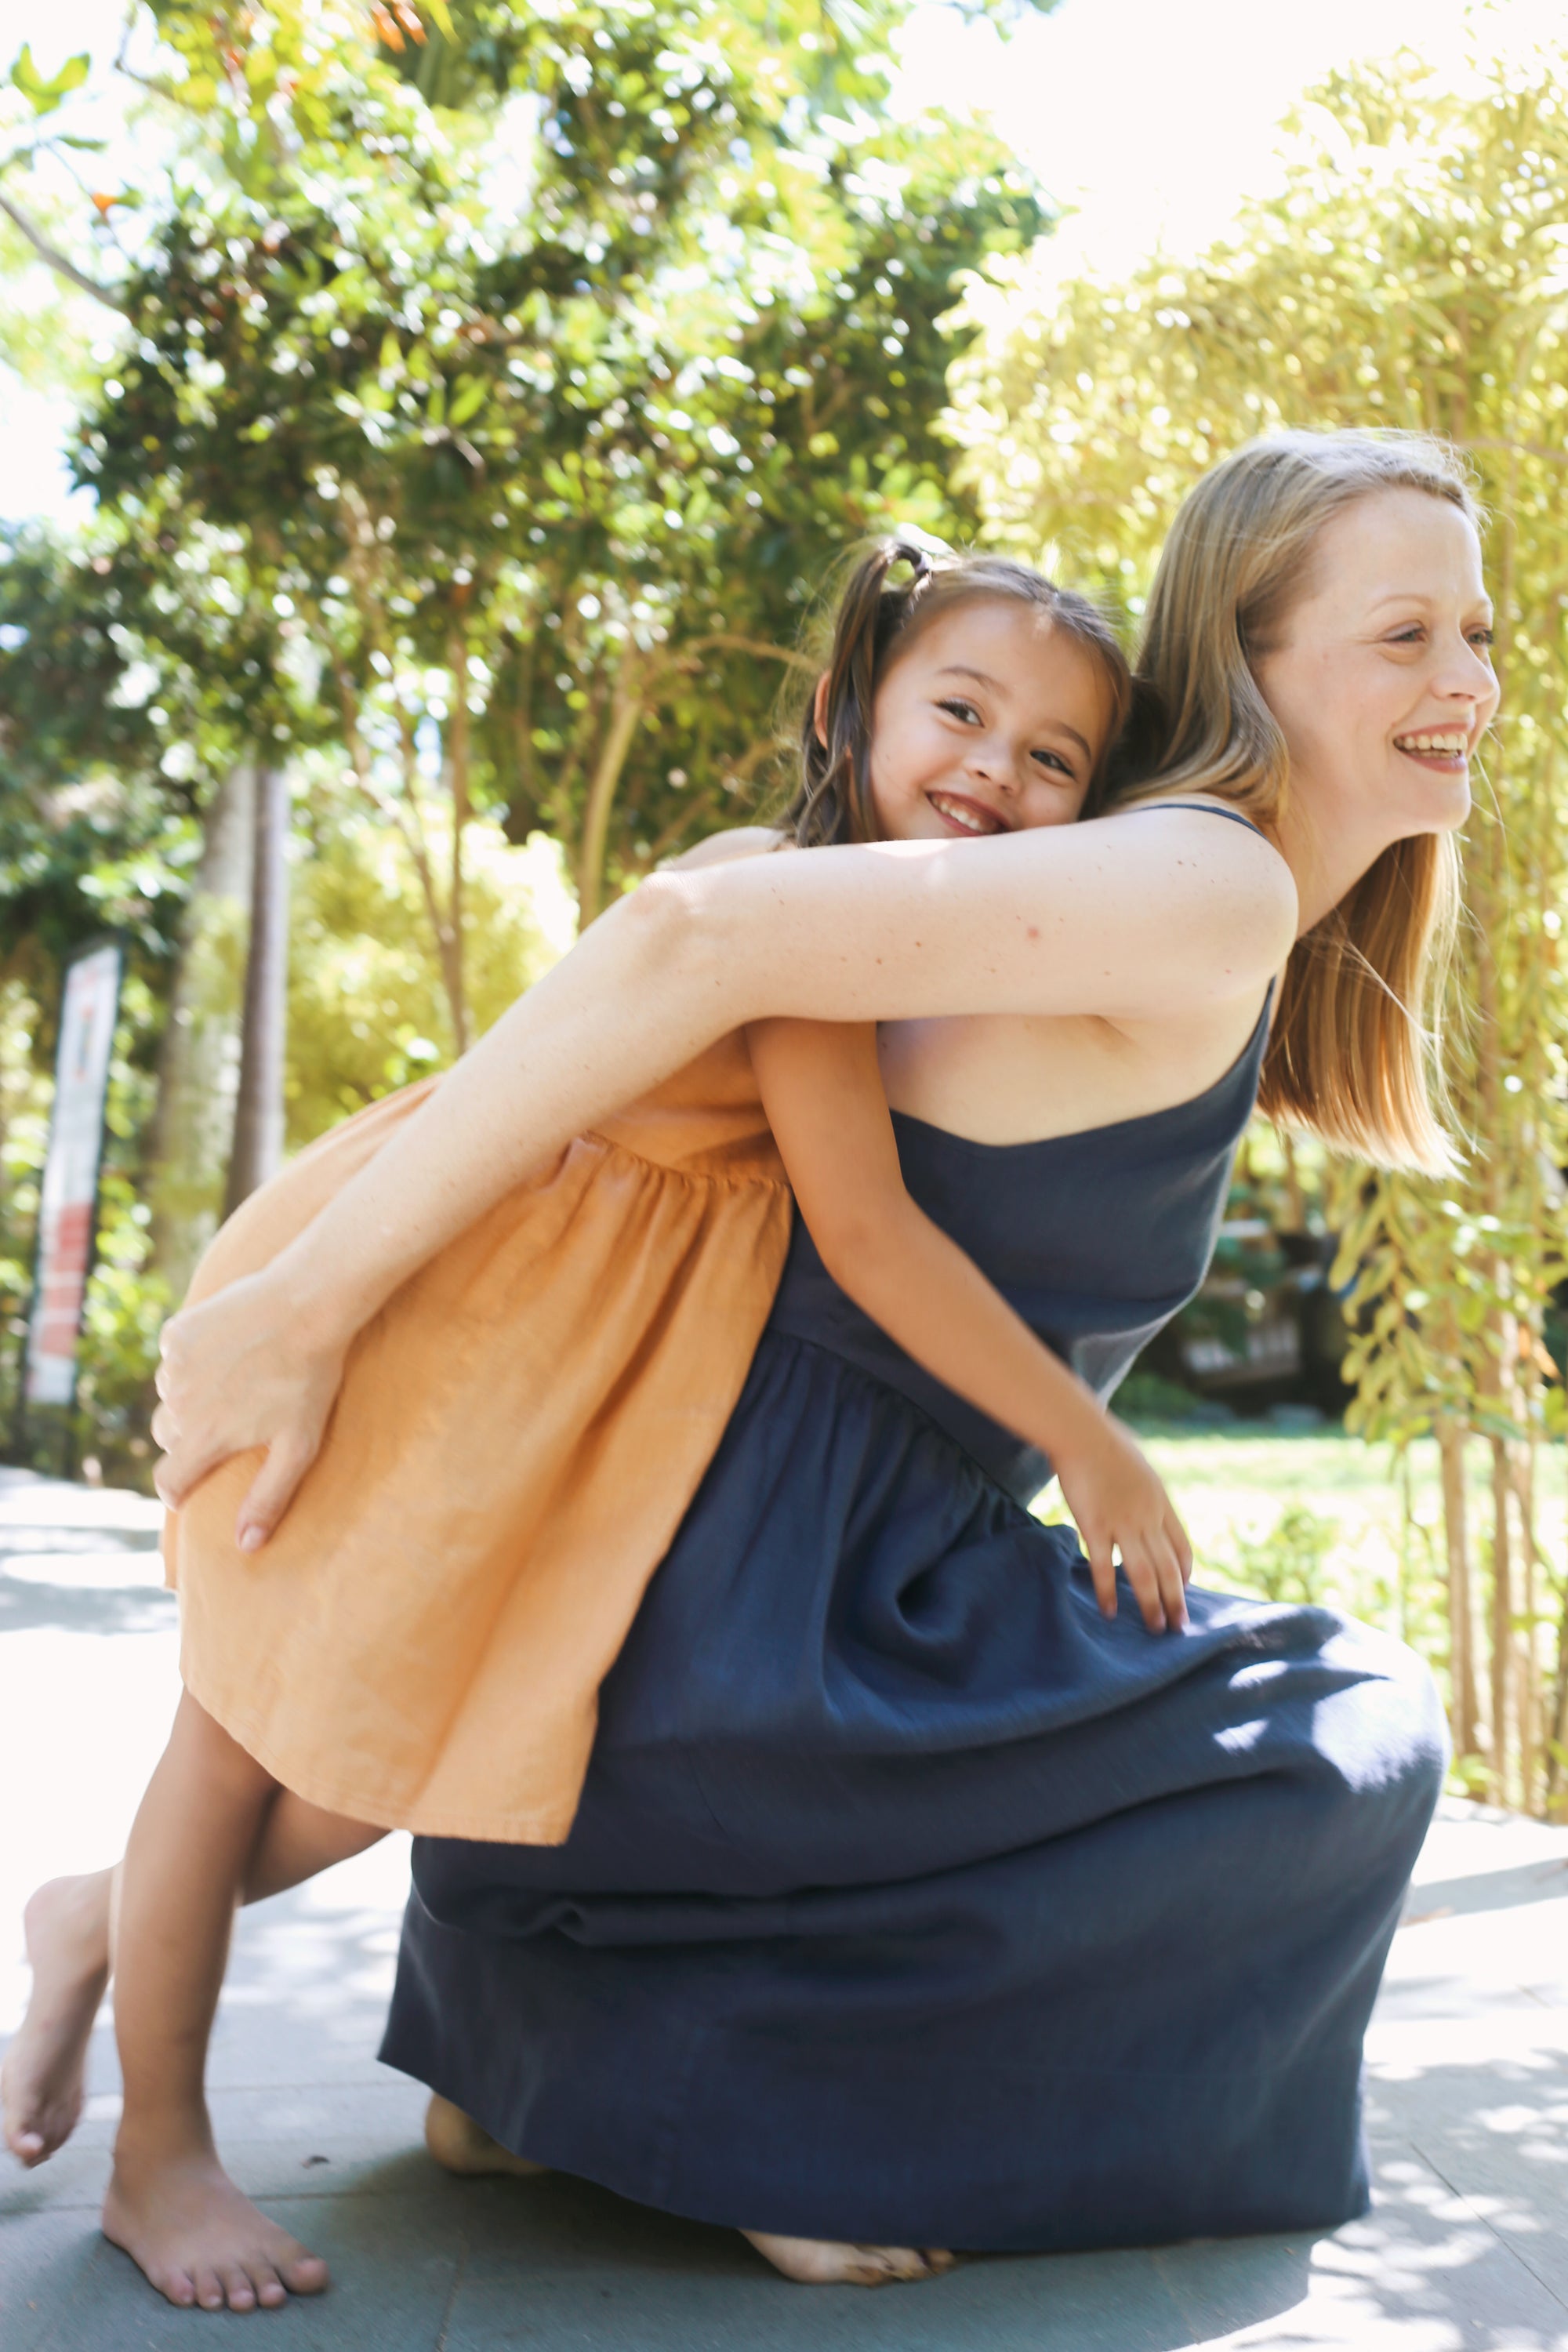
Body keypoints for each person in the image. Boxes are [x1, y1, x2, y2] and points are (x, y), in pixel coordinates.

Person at [78, 428, 1494, 2292]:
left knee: (306, 1774)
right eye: (1403, 635)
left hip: (727, 1498)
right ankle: (747, 2115)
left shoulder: (1145, 893)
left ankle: (513, 2057)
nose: (1465, 684)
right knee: (1343, 1739)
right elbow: (698, 927)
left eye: (1479, 634)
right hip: (741, 1555)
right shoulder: (1206, 884)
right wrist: (305, 1305)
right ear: (1248, 656)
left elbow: (859, 1186)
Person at [3, 545, 1194, 2310]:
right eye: (959, 710)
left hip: (549, 1375)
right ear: (845, 706)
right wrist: (1090, 1443)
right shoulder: (791, 907)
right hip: (441, 1327)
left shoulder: (897, 941)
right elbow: (866, 1235)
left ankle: (94, 1917)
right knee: (248, 1736)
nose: (995, 772)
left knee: (350, 1782)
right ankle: (155, 2147)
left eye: (1053, 759)